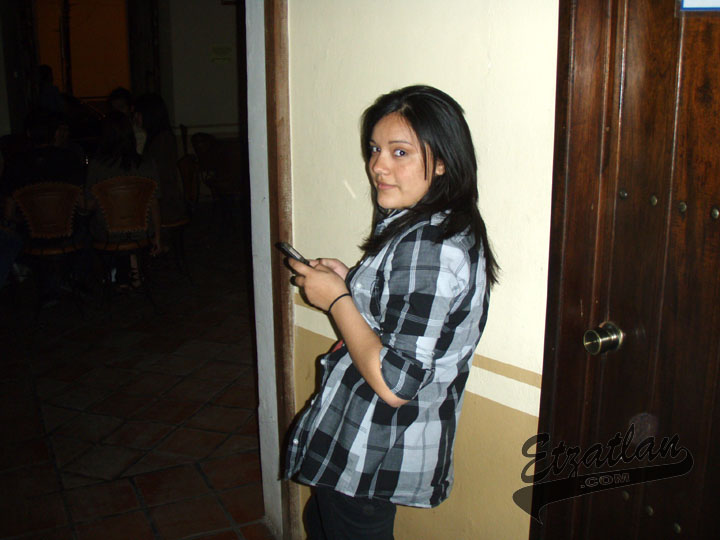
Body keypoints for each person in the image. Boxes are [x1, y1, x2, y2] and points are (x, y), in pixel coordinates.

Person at [283, 85, 499, 539]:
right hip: (368, 440)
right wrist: (350, 282)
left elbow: (396, 382)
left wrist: (337, 300)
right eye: (375, 149)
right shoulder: (433, 225)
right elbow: (405, 317)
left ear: (442, 161)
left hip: (372, 444)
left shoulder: (430, 245)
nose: (378, 166)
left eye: (400, 152)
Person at [86, 111, 162, 287]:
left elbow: (89, 205)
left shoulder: (97, 166)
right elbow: (154, 203)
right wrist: (158, 236)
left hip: (109, 232)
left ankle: (116, 273)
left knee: (94, 224)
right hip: (141, 230)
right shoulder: (146, 164)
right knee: (129, 221)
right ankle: (130, 272)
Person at [133, 93, 186, 239]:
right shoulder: (158, 138)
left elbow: (159, 178)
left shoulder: (161, 140)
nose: (135, 118)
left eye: (138, 113)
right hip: (163, 198)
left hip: (166, 203)